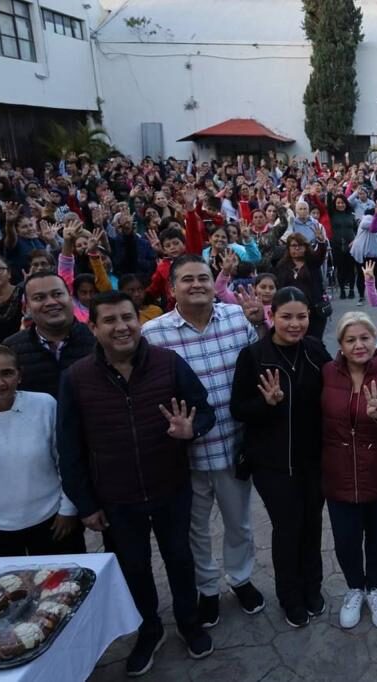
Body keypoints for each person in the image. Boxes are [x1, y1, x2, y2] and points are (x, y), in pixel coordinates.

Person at [58, 291, 216, 675]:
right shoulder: (76, 378)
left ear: (138, 321)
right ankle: (149, 629)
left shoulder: (167, 364)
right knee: (134, 567)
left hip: (170, 487)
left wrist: (191, 429)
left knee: (180, 560)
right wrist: (85, 503)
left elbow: (205, 411)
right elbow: (69, 446)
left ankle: (189, 622)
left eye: (127, 317)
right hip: (116, 498)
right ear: (93, 327)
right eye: (109, 320)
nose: (121, 326)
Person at [142, 255, 267, 629]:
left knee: (239, 524)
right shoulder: (154, 334)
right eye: (187, 280)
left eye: (203, 278)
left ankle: (240, 579)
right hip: (184, 453)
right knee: (195, 530)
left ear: (215, 283)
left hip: (232, 446)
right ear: (172, 288)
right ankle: (208, 589)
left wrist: (260, 325)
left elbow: (259, 365)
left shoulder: (236, 318)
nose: (197, 284)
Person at [230, 287, 331, 629]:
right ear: (273, 315)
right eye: (286, 316)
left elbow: (336, 387)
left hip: (314, 459)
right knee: (288, 529)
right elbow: (238, 408)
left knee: (313, 525)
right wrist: (266, 404)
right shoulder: (254, 356)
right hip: (273, 464)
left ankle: (312, 588)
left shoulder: (315, 349)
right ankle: (290, 596)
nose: (295, 324)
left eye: (301, 316)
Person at [321, 312, 377, 631]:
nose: (359, 345)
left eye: (365, 338)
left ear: (375, 339)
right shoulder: (327, 373)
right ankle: (354, 589)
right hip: (337, 471)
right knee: (345, 539)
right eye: (350, 340)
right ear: (341, 345)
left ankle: (374, 588)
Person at [0, 343, 84, 557]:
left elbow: (65, 460)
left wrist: (68, 510)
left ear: (19, 376)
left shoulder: (44, 405)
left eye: (7, 373)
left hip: (53, 521)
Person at [3, 271, 95, 396]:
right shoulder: (11, 349)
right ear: (27, 307)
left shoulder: (97, 339)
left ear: (70, 297)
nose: (51, 302)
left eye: (57, 294)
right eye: (39, 298)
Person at [273, 231, 328, 340]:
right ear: (288, 248)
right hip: (292, 311)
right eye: (293, 246)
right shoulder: (282, 266)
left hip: (314, 311)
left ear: (305, 247)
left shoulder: (312, 262)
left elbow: (320, 255)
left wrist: (321, 242)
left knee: (314, 341)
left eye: (300, 245)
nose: (297, 248)